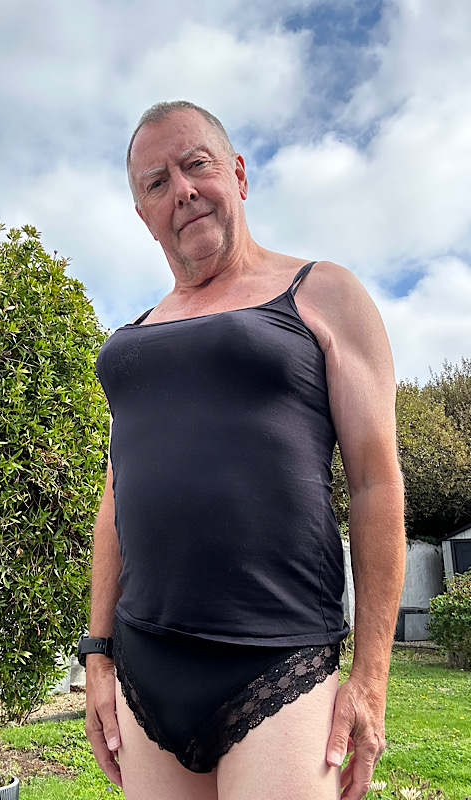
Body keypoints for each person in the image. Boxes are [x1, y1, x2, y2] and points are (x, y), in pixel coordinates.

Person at [82, 100, 406, 800]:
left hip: (280, 662)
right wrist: (98, 653)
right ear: (144, 215)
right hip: (144, 659)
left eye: (195, 165)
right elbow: (116, 497)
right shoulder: (132, 338)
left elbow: (376, 483)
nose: (182, 190)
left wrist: (371, 678)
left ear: (237, 174)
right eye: (156, 182)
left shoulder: (322, 293)